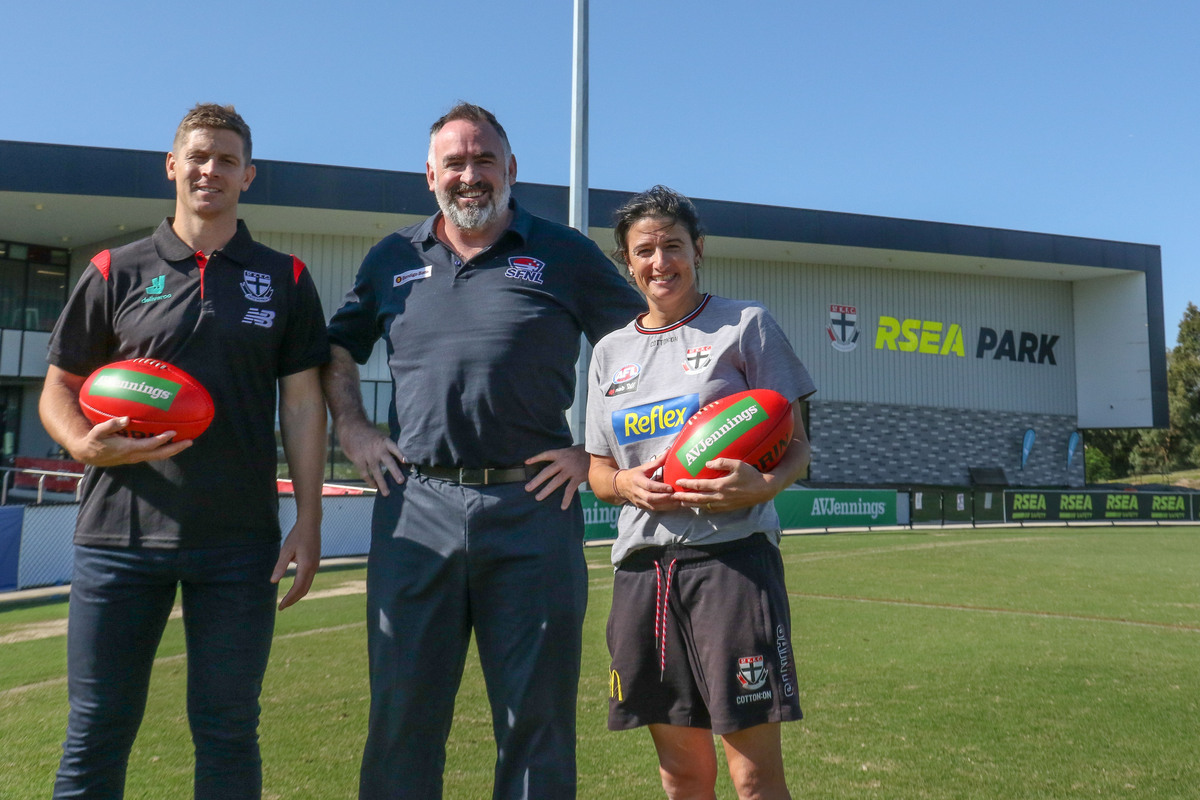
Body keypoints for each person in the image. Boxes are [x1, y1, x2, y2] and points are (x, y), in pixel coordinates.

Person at [322, 101, 644, 799]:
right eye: (456, 163)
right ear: (430, 175)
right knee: (402, 717)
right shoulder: (392, 258)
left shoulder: (564, 252)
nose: (470, 175)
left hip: (532, 508)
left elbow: (639, 349)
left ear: (511, 169)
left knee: (537, 724)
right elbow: (337, 349)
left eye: (484, 160)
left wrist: (592, 452)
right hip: (415, 509)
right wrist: (351, 427)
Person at [39, 103, 330, 799]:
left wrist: (310, 522)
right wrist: (82, 441)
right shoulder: (116, 268)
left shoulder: (284, 277)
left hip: (238, 542)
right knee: (96, 728)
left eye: (227, 159)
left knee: (228, 730)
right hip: (118, 536)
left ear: (248, 176)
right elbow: (60, 388)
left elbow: (302, 404)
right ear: (172, 167)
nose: (211, 170)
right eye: (198, 156)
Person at [585, 186, 816, 800]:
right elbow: (597, 471)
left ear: (698, 250)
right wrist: (625, 484)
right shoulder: (609, 353)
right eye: (644, 251)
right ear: (626, 262)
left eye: (672, 246)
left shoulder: (745, 325)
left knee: (753, 774)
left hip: (731, 562)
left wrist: (762, 485)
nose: (660, 261)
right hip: (642, 571)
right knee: (680, 772)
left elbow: (799, 446)